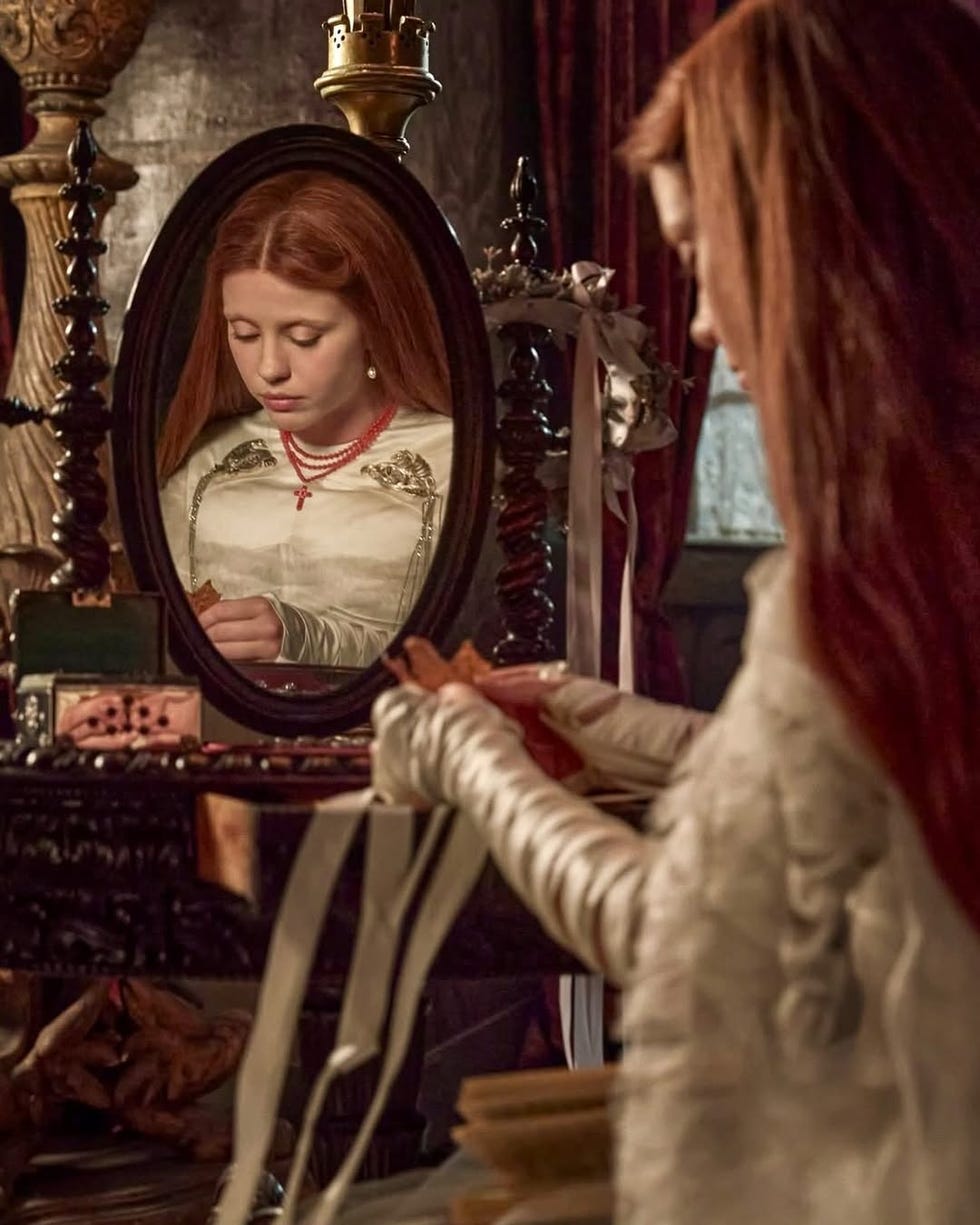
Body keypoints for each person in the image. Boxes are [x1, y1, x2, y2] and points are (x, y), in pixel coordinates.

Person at [371, 1, 980, 1221]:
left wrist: (474, 758)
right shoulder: (937, 541)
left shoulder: (866, 579)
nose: (698, 321)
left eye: (705, 258)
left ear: (819, 244)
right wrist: (606, 718)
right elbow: (860, 800)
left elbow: (676, 938)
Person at [158, 171, 453, 668]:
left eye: (304, 337)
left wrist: (310, 639)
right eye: (245, 334)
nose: (270, 368)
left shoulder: (454, 466)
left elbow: (482, 650)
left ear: (374, 325)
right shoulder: (206, 465)